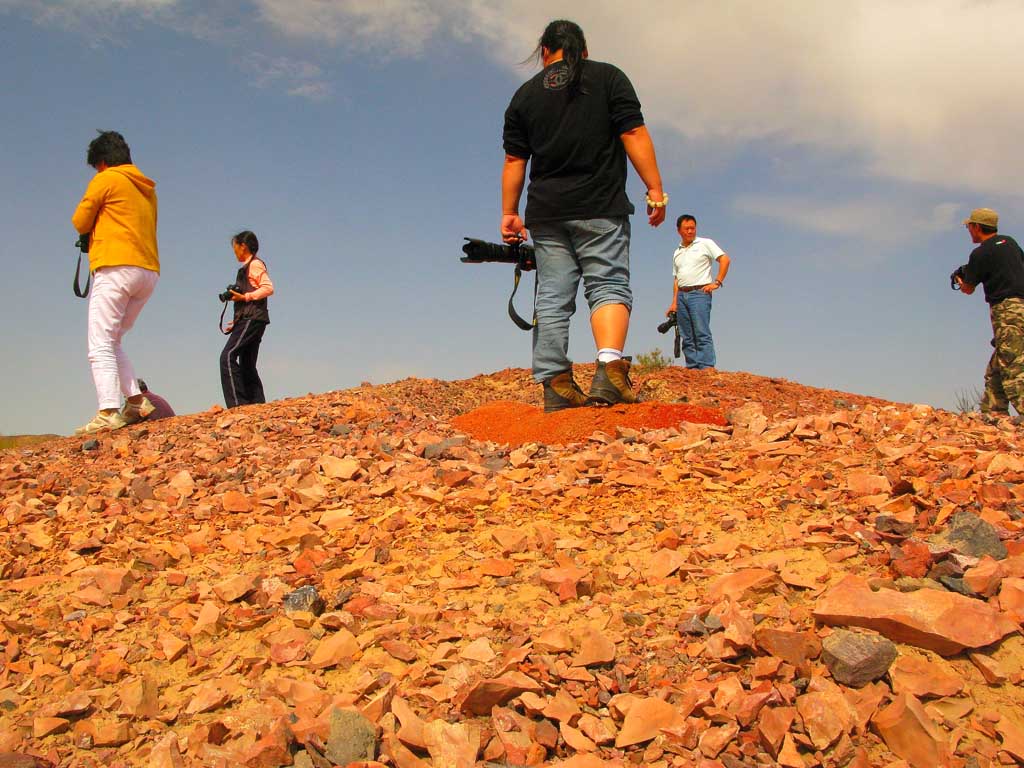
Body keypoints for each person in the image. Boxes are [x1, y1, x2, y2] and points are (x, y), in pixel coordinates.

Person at [501, 19, 667, 412]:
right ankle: (609, 372)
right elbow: (633, 134)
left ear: (545, 52)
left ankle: (555, 385)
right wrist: (655, 190)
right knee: (607, 284)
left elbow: (514, 160)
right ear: (584, 50)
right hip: (600, 206)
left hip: (546, 212)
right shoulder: (608, 78)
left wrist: (509, 213)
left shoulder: (523, 97)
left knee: (553, 298)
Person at [71, 131, 159, 434]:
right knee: (113, 340)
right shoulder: (147, 188)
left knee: (99, 344)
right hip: (147, 271)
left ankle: (108, 410)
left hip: (116, 266)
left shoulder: (106, 179)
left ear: (103, 162)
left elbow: (80, 220)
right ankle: (135, 401)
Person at [955, 208, 1024, 419]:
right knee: (998, 363)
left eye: (969, 227)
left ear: (976, 227)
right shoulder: (1010, 243)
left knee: (1012, 362)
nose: (969, 231)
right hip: (1021, 306)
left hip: (1006, 309)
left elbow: (968, 288)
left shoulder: (980, 253)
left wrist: (960, 278)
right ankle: (994, 412)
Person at [666, 215, 731, 370]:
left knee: (701, 331)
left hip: (699, 293)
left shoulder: (705, 243)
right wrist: (674, 302)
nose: (690, 231)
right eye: (686, 228)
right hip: (682, 294)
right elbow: (676, 279)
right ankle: (693, 367)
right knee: (686, 334)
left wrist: (717, 282)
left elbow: (725, 259)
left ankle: (706, 366)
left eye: (692, 228)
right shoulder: (677, 252)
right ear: (679, 230)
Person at [220, 230, 274, 408]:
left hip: (252, 318)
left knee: (227, 356)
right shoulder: (247, 268)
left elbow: (268, 288)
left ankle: (237, 404)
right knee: (247, 363)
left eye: (235, 247)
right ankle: (257, 405)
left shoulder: (255, 265)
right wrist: (236, 320)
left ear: (243, 246)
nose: (234, 251)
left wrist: (245, 297)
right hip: (253, 318)